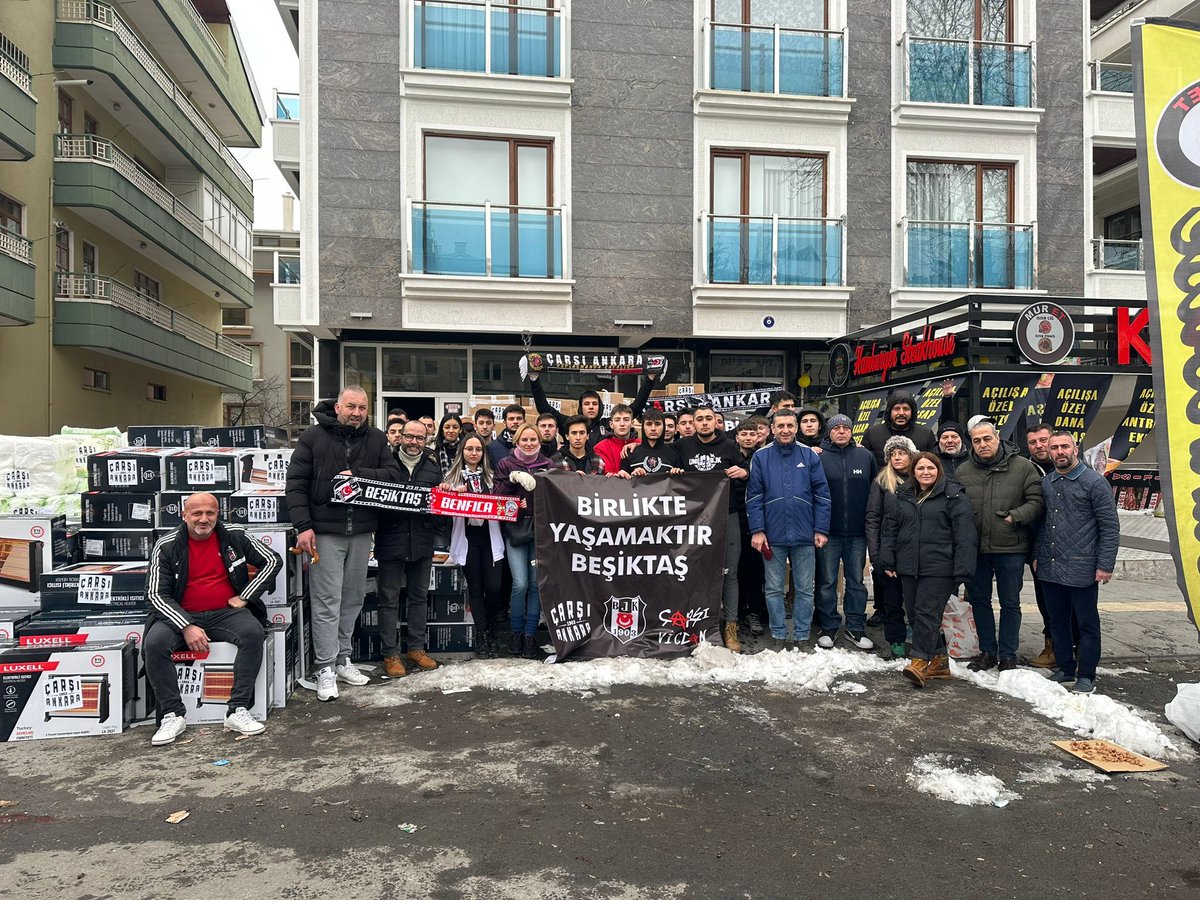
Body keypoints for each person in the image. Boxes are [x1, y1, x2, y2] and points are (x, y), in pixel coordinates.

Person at [285, 386, 401, 702]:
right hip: (324, 532)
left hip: (362, 532)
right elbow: (295, 484)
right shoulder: (312, 437)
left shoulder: (376, 439)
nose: (357, 412)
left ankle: (342, 659)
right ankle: (324, 667)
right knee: (326, 601)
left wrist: (359, 475)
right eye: (351, 406)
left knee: (352, 598)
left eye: (362, 407)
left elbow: (393, 475)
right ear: (337, 407)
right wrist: (303, 527)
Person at [144, 492, 283, 746]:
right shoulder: (166, 545)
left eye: (210, 513)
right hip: (181, 615)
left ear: (218, 514)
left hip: (226, 612)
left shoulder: (235, 535)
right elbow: (154, 593)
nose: (204, 519)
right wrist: (186, 625)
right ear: (184, 515)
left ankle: (238, 709)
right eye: (196, 513)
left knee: (252, 633)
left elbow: (273, 560)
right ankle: (172, 714)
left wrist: (246, 596)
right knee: (154, 644)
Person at [879, 453, 977, 687]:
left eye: (930, 468)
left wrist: (963, 569)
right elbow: (890, 528)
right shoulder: (903, 496)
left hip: (940, 566)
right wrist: (888, 559)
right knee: (913, 613)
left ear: (939, 470)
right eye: (920, 468)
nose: (925, 472)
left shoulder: (954, 496)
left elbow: (965, 535)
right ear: (913, 472)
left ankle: (920, 660)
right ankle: (940, 662)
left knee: (926, 613)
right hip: (909, 565)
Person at [1033, 432, 1119, 694]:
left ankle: (1086, 674)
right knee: (1057, 622)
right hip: (1050, 565)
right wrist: (1037, 554)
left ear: (1075, 448)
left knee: (1086, 623)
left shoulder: (1094, 482)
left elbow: (1110, 526)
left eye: (1064, 446)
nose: (1059, 451)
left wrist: (1105, 564)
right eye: (1054, 447)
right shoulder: (1047, 483)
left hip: (1082, 566)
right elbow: (1042, 524)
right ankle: (1066, 668)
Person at [956, 420, 1044, 672]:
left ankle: (1008, 653)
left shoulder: (1023, 467)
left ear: (997, 437)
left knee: (1010, 602)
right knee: (979, 601)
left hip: (1010, 548)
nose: (982, 444)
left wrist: (1014, 517)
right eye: (976, 440)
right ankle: (987, 651)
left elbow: (1036, 502)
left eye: (987, 439)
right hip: (977, 550)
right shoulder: (963, 471)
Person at [746, 408, 831, 650]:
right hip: (772, 534)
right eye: (780, 426)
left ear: (796, 428)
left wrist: (821, 529)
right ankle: (778, 634)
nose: (785, 430)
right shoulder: (761, 457)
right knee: (773, 588)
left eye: (790, 426)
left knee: (805, 589)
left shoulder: (809, 455)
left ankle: (802, 635)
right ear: (772, 429)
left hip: (805, 533)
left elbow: (822, 495)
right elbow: (754, 497)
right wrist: (758, 530)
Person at [677, 404, 749, 652]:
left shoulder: (730, 446)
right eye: (700, 419)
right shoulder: (682, 446)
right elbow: (660, 462)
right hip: (693, 521)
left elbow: (748, 471)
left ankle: (730, 626)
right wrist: (632, 446)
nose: (705, 423)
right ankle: (698, 625)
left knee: (730, 575)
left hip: (727, 517)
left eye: (709, 418)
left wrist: (744, 472)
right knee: (694, 573)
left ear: (716, 422)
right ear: (692, 423)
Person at [375, 418, 444, 678]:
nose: (414, 442)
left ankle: (416, 648)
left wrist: (446, 497)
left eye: (420, 438)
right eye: (409, 436)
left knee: (418, 597)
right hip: (391, 540)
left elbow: (439, 513)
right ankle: (390, 653)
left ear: (426, 440)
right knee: (388, 599)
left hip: (422, 541)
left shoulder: (432, 468)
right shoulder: (386, 464)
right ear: (399, 436)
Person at [816, 414, 878, 650]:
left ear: (852, 432)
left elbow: (874, 491)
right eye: (836, 428)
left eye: (845, 427)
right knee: (827, 582)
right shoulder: (819, 457)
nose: (841, 431)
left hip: (857, 532)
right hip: (828, 532)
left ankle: (855, 626)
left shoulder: (865, 456)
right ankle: (829, 626)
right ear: (829, 432)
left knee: (856, 582)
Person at [442, 435, 506, 659]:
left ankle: (491, 628)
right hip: (469, 538)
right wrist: (450, 494)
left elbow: (505, 503)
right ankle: (482, 634)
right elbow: (444, 509)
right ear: (462, 451)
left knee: (495, 587)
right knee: (476, 588)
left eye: (478, 449)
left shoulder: (492, 477)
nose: (473, 453)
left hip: (490, 538)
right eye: (469, 448)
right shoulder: (452, 478)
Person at [494, 423, 553, 658]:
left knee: (535, 584)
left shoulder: (548, 465)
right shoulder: (506, 464)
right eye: (524, 440)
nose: (529, 444)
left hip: (539, 531)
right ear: (517, 441)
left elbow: (553, 498)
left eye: (534, 440)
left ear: (540, 442)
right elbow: (497, 498)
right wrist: (513, 482)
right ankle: (516, 632)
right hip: (515, 531)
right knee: (519, 583)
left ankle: (530, 635)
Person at [865, 435, 916, 657]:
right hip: (889, 549)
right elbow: (873, 518)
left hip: (917, 549)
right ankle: (896, 641)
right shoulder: (882, 482)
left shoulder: (922, 477)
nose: (896, 457)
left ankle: (919, 638)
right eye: (892, 454)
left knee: (917, 600)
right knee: (892, 600)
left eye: (901, 453)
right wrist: (875, 554)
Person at [528, 364, 659, 449]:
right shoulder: (570, 423)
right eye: (587, 404)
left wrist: (650, 379)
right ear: (580, 407)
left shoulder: (609, 423)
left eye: (595, 404)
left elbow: (637, 406)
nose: (591, 407)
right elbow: (544, 409)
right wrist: (534, 380)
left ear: (600, 407)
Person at [1023, 422, 1059, 668]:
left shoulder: (1071, 468)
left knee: (1073, 603)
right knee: (1046, 600)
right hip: (1039, 548)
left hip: (1071, 550)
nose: (1039, 446)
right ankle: (1052, 646)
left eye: (1043, 440)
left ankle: (1076, 648)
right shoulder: (1025, 469)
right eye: (1033, 442)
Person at [732, 419, 766, 636]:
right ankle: (735, 613)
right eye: (743, 434)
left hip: (758, 522)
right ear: (737, 437)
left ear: (758, 436)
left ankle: (755, 612)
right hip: (733, 519)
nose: (747, 438)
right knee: (735, 570)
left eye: (751, 434)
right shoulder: (729, 455)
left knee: (756, 570)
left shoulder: (764, 457)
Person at [862, 389, 937, 469]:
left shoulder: (925, 434)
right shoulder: (873, 433)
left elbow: (935, 465)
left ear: (912, 412)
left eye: (906, 409)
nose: (901, 413)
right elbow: (864, 465)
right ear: (889, 411)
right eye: (897, 409)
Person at [623, 408, 681, 476]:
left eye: (657, 424)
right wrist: (632, 476)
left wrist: (677, 475)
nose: (653, 428)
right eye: (649, 424)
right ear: (643, 427)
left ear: (663, 427)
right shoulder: (629, 452)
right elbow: (622, 483)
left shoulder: (674, 454)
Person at [593, 404, 640, 475]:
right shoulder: (600, 448)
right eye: (617, 420)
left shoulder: (641, 444)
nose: (622, 424)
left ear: (632, 423)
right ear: (611, 424)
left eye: (626, 420)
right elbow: (595, 478)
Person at [487, 404, 526, 468]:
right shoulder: (491, 448)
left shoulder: (532, 445)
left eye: (519, 418)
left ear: (524, 421)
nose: (515, 422)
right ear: (504, 422)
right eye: (511, 419)